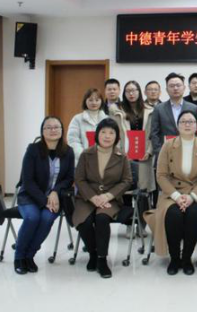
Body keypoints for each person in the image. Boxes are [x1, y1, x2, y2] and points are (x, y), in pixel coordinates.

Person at [144, 111, 197, 276]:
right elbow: (161, 175)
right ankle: (175, 258)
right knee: (173, 214)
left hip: (196, 193)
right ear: (178, 126)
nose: (187, 124)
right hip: (171, 192)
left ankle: (187, 258)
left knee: (195, 213)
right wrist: (176, 197)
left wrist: (192, 197)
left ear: (196, 125)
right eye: (183, 121)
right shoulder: (168, 146)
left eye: (191, 121)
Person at [73, 118, 133, 279]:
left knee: (101, 219)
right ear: (97, 134)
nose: (107, 136)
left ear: (117, 137)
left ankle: (102, 260)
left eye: (111, 133)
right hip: (87, 198)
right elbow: (79, 179)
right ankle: (93, 253)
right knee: (84, 222)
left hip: (110, 199)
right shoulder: (86, 154)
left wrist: (108, 195)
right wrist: (93, 197)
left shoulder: (121, 156)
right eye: (103, 132)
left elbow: (127, 181)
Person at [14, 116, 75, 275]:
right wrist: (44, 199)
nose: (53, 130)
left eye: (56, 127)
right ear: (42, 131)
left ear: (62, 130)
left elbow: (69, 178)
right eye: (48, 127)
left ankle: (29, 255)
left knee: (47, 218)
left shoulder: (68, 152)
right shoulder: (33, 150)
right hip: (30, 196)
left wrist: (55, 192)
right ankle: (19, 256)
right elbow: (27, 180)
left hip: (55, 198)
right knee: (32, 217)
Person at [109, 81, 155, 237]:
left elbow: (153, 133)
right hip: (124, 156)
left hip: (144, 157)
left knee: (142, 192)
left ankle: (141, 225)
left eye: (134, 90)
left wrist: (149, 151)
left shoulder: (150, 110)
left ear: (139, 92)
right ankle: (129, 224)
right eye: (128, 91)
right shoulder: (117, 110)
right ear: (124, 93)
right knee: (126, 191)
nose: (131, 93)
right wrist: (119, 153)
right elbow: (113, 133)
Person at [150, 73, 197, 163]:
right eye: (172, 86)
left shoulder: (194, 108)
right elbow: (154, 133)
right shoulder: (159, 109)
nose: (175, 88)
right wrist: (160, 153)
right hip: (165, 155)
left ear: (184, 88)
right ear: (166, 89)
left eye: (178, 85)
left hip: (188, 153)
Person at [68, 88, 107, 165]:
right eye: (90, 100)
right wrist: (84, 155)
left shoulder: (107, 119)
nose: (94, 102)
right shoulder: (77, 119)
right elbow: (73, 140)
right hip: (83, 161)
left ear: (101, 101)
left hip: (104, 161)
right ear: (85, 101)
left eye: (97, 100)